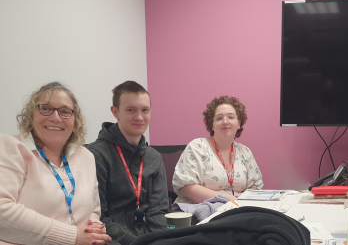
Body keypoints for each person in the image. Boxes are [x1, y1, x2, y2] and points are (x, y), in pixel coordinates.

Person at [0, 82, 112, 245]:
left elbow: (93, 212)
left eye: (65, 111)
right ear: (31, 115)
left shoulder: (86, 157)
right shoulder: (10, 148)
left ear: (75, 122)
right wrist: (72, 237)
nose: (55, 117)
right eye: (45, 108)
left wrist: (93, 230)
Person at [86, 81, 169, 245]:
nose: (139, 117)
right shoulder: (95, 155)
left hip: (149, 238)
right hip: (113, 239)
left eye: (144, 110)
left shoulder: (154, 157)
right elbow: (98, 217)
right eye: (131, 110)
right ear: (115, 112)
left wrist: (158, 240)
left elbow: (158, 211)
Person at [172, 96, 264, 204]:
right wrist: (230, 200)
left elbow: (256, 186)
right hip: (200, 212)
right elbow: (186, 189)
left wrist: (243, 198)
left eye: (230, 117)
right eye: (219, 118)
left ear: (239, 123)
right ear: (211, 125)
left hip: (237, 211)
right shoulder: (197, 148)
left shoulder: (245, 152)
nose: (225, 121)